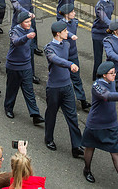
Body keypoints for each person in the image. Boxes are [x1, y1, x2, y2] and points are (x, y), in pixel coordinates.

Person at [82, 61, 118, 189]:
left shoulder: (111, 81)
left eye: (115, 72)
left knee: (116, 153)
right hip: (96, 124)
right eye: (112, 73)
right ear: (103, 75)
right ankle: (87, 169)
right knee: (90, 147)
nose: (114, 75)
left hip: (111, 124)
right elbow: (108, 96)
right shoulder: (97, 86)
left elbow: (116, 91)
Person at [44, 20, 85, 158]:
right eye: (65, 31)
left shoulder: (66, 44)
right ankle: (48, 138)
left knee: (72, 116)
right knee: (51, 114)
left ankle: (76, 146)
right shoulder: (49, 48)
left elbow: (69, 39)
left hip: (67, 86)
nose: (67, 33)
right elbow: (55, 60)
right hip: (54, 87)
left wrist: (72, 35)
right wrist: (70, 64)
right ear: (58, 34)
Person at [5, 10, 42, 123]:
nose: (29, 24)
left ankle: (35, 114)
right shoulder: (14, 31)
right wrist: (26, 36)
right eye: (26, 22)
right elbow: (16, 42)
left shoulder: (30, 30)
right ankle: (8, 108)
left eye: (30, 21)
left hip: (26, 66)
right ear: (21, 22)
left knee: (29, 91)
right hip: (13, 66)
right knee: (12, 89)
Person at [91, 0, 114, 81]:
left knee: (110, 55)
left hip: (107, 32)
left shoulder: (111, 3)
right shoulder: (99, 6)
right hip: (98, 33)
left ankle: (108, 75)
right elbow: (104, 18)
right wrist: (114, 26)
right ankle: (97, 78)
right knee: (98, 57)